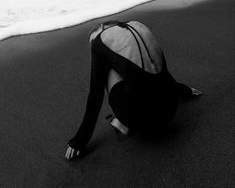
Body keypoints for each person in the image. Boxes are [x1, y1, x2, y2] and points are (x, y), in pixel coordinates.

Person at [65, 20, 202, 160]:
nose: (93, 45)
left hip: (140, 121)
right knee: (144, 64)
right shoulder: (139, 27)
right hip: (170, 109)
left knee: (106, 69)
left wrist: (79, 141)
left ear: (102, 29)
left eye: (93, 40)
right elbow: (162, 74)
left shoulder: (100, 42)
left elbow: (96, 95)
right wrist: (184, 90)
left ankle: (123, 123)